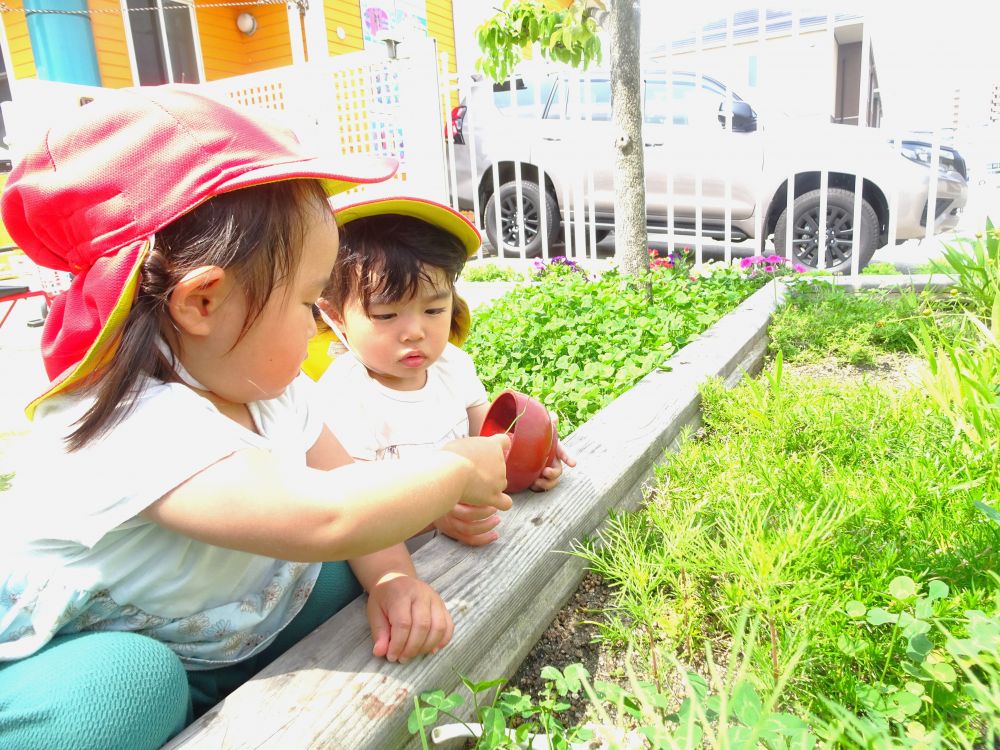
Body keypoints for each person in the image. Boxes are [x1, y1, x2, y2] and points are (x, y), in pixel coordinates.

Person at [0, 86, 512, 750]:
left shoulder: (265, 384)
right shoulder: (128, 421)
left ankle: (201, 699)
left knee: (338, 571)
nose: (315, 327)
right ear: (205, 302)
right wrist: (452, 468)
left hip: (200, 629)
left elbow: (345, 482)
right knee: (125, 688)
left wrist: (391, 577)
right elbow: (326, 515)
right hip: (61, 658)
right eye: (306, 302)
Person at [315, 197, 574, 547]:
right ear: (336, 316)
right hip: (399, 564)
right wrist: (434, 514)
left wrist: (532, 458)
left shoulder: (452, 365)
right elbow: (353, 508)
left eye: (434, 309)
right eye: (386, 315)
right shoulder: (343, 397)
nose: (414, 332)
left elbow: (491, 437)